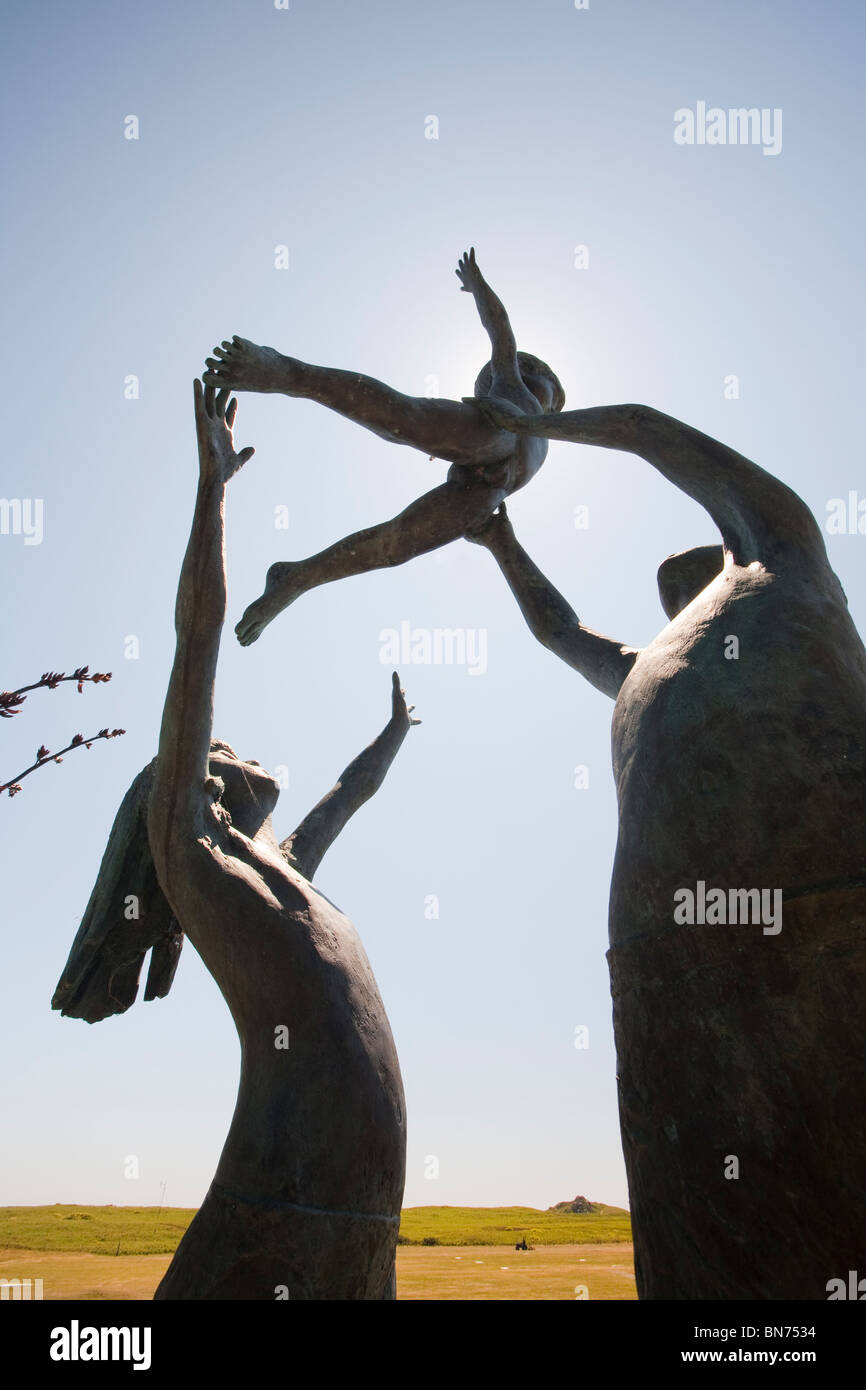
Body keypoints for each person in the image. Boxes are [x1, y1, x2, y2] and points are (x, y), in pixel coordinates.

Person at [466, 400, 866, 1300]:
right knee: (702, 1205)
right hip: (663, 952)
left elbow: (652, 430)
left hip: (831, 897)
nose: (665, 580)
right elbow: (559, 633)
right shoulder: (650, 664)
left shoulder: (783, 556)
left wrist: (531, 422)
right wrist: (501, 545)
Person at [54, 382, 419, 1300]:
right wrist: (213, 489)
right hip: (275, 1225)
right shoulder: (195, 863)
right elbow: (199, 633)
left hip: (357, 1227)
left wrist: (395, 734)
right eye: (218, 749)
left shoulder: (281, 870)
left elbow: (349, 794)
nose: (244, 753)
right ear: (196, 782)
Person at [201, 248, 564, 645]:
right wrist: (477, 285)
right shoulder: (512, 384)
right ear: (534, 374)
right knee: (404, 420)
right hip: (498, 429)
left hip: (491, 487)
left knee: (398, 545)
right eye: (554, 392)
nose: (556, 405)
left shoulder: (549, 429)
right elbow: (502, 332)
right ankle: (287, 371)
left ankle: (296, 577)